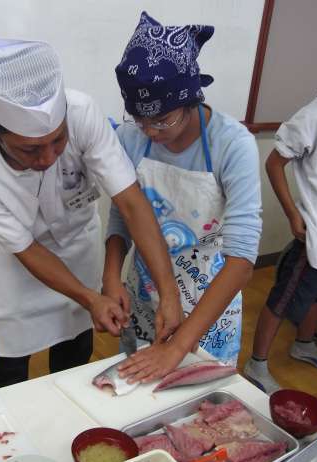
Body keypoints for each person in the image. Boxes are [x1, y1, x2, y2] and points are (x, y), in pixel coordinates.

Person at [0, 38, 182, 389]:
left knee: (75, 349)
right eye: (30, 150)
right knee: (12, 362)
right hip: (18, 265)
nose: (48, 158)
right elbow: (27, 249)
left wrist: (168, 293)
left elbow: (131, 203)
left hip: (79, 248)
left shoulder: (81, 113)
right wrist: (91, 298)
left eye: (59, 140)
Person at [102, 12, 262, 384]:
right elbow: (122, 216)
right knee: (138, 391)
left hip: (209, 299)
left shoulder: (232, 145)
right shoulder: (130, 139)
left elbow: (241, 259)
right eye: (140, 120)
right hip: (144, 292)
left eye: (162, 120)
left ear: (190, 98)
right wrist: (111, 276)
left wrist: (177, 347)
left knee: (199, 402)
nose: (150, 131)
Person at [244, 90, 317, 394]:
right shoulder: (315, 115)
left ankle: (304, 344)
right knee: (283, 299)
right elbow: (274, 164)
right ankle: (256, 363)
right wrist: (293, 215)